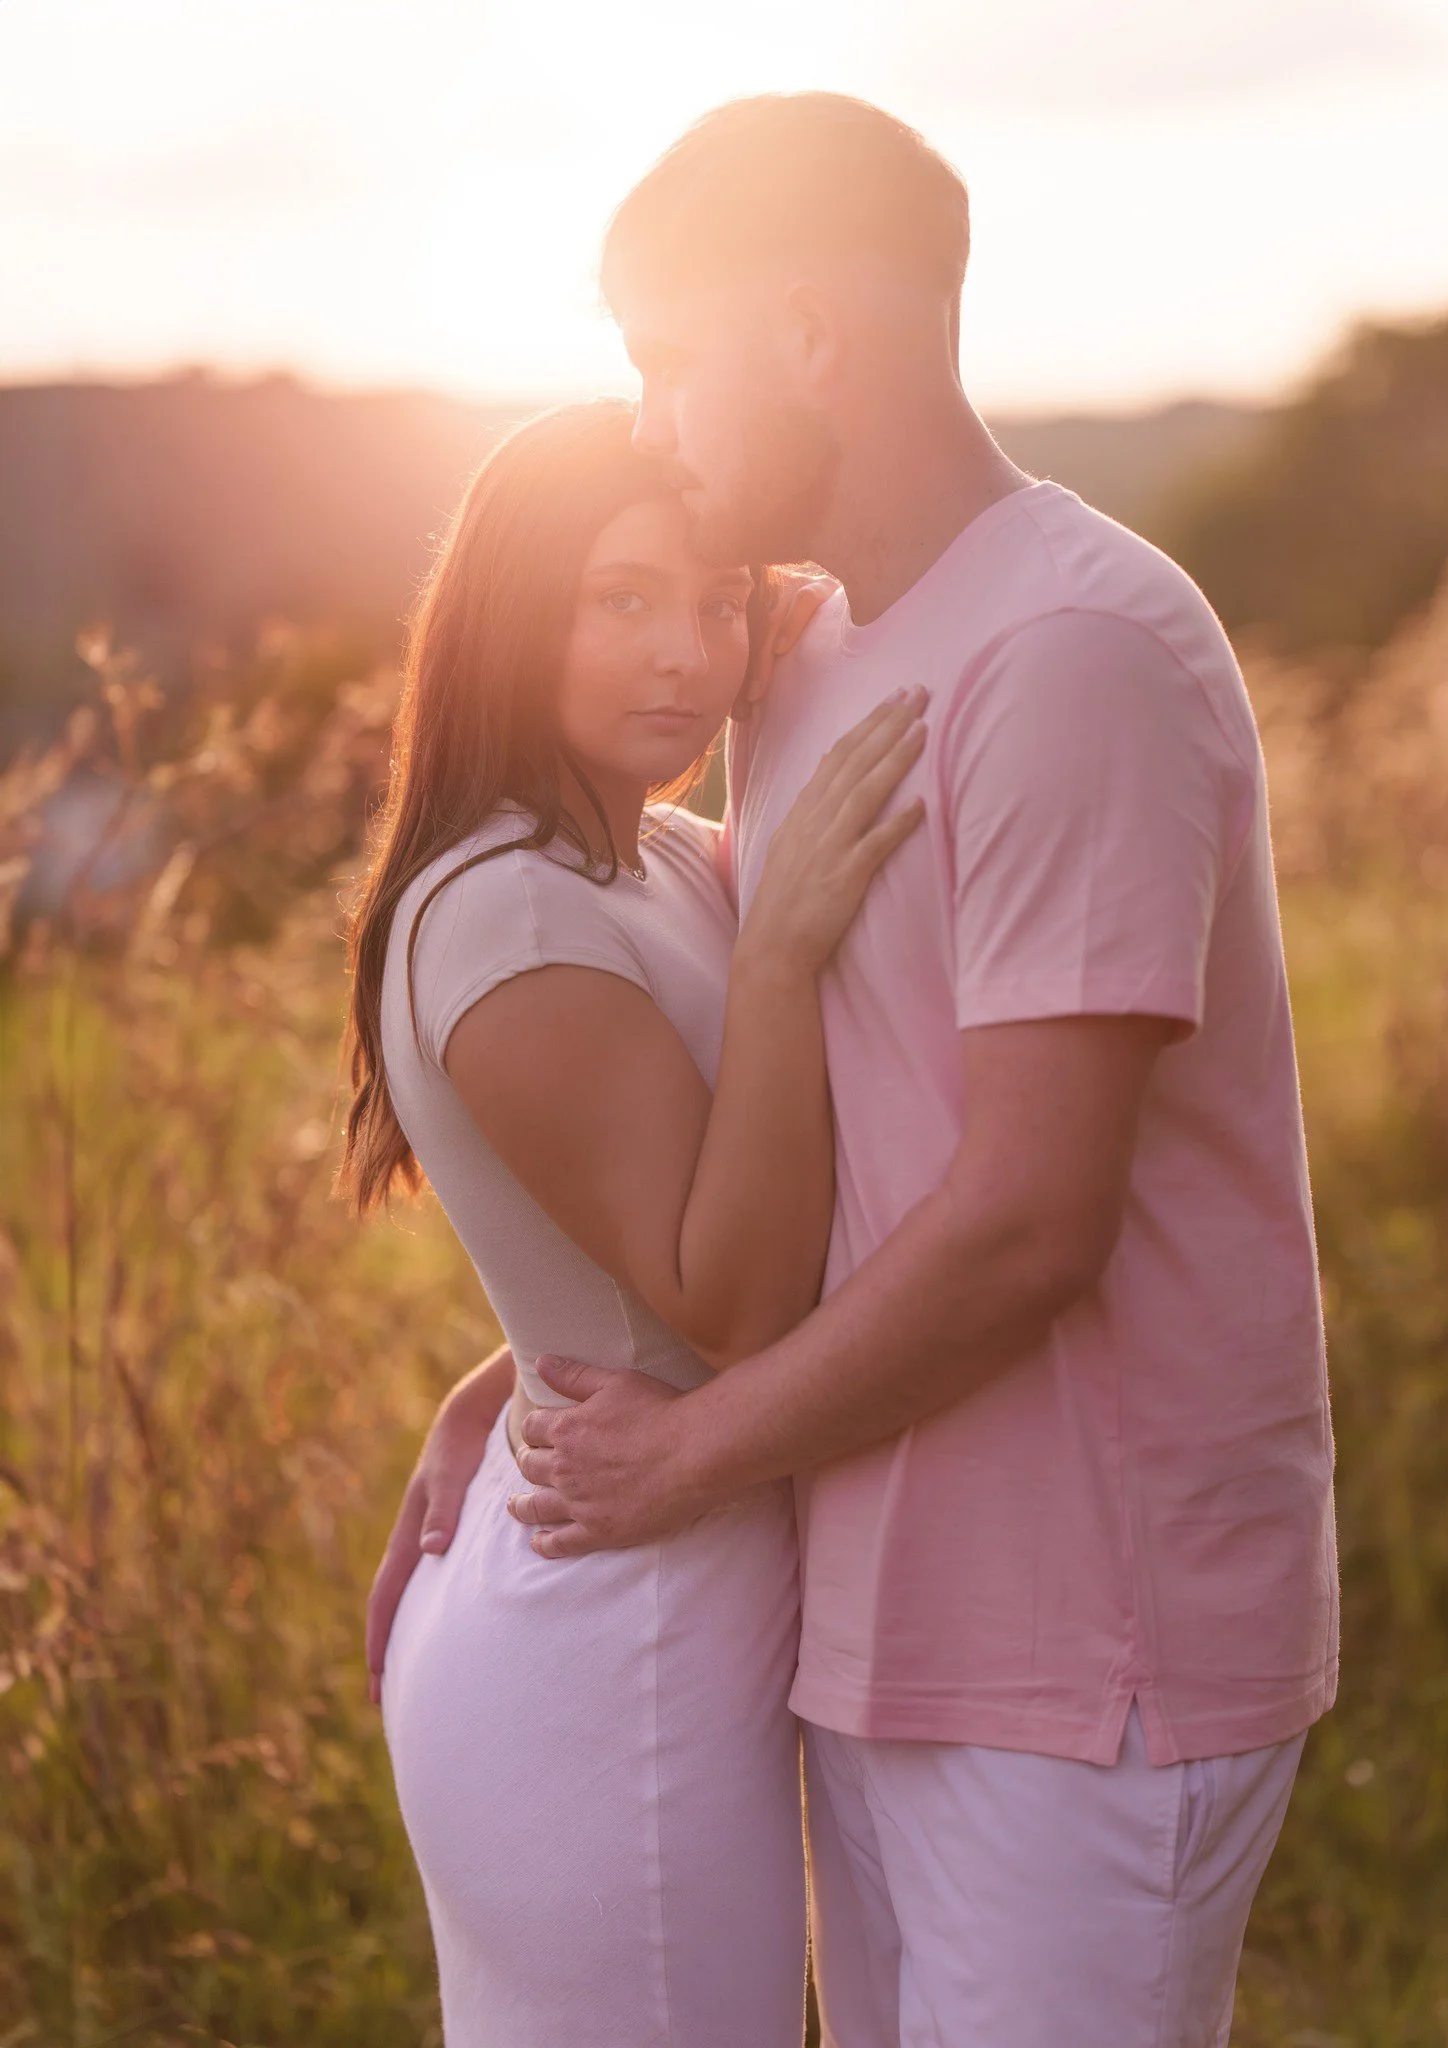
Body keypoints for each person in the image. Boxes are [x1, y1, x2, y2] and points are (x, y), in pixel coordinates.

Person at [372, 94, 1339, 2047]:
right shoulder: (805, 661)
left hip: (1091, 1655)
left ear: (809, 332)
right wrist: (555, 1351)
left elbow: (1027, 1223)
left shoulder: (1073, 650)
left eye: (667, 359)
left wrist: (682, 1445)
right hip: (871, 1623)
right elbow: (806, 1097)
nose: (650, 421)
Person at [340, 396, 927, 2047]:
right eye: (619, 600)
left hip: (652, 1592)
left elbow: (604, 1252)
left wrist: (497, 1374)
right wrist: (785, 951)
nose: (685, 652)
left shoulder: (639, 850)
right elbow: (731, 1304)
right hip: (611, 1649)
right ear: (510, 611)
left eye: (718, 599)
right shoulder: (509, 905)